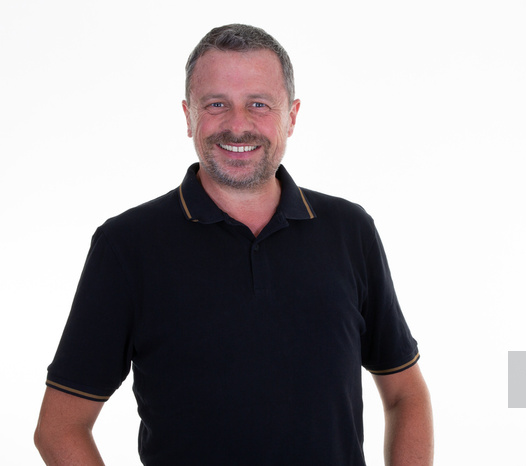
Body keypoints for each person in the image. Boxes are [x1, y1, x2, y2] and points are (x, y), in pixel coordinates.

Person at [34, 24, 433, 465]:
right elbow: (59, 428)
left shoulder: (348, 230)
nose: (238, 125)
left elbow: (404, 394)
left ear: (292, 116)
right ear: (188, 115)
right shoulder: (127, 245)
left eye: (258, 104)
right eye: (216, 104)